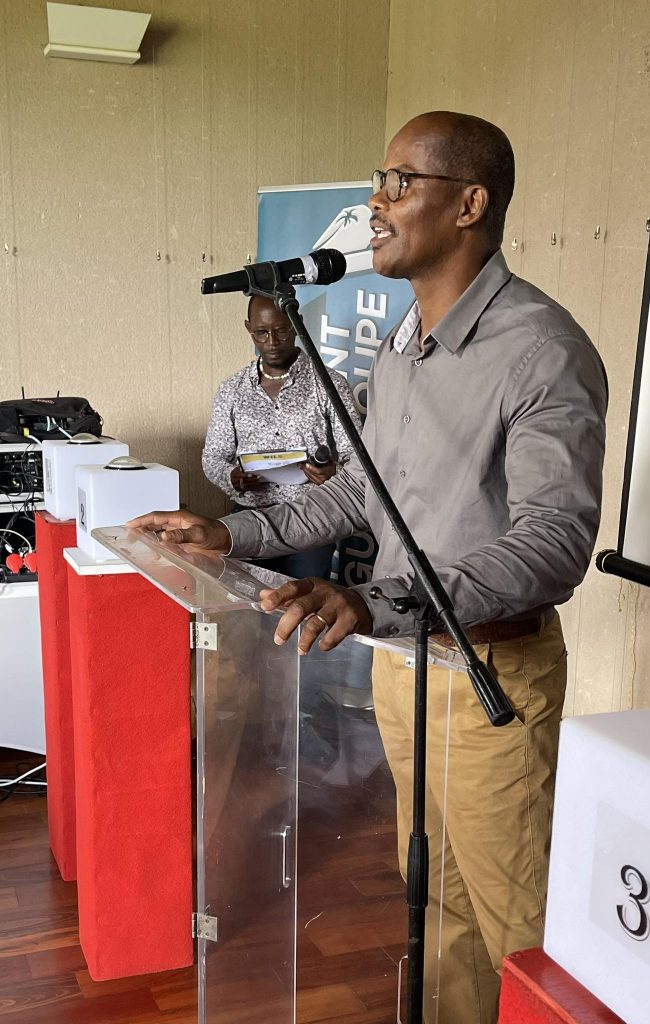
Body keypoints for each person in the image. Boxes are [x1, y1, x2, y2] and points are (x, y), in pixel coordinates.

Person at [131, 110, 608, 1024]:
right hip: (403, 666)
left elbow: (555, 540)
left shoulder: (540, 349)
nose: (375, 204)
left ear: (468, 204)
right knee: (435, 898)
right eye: (376, 182)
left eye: (398, 182)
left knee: (516, 925)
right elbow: (361, 494)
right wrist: (228, 534)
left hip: (487, 675)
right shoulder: (400, 346)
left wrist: (376, 598)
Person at [201, 294, 362, 579]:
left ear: (296, 325)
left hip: (313, 517)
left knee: (306, 601)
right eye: (261, 333)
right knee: (249, 598)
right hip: (251, 517)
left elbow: (359, 455)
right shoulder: (232, 389)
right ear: (249, 329)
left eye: (282, 331)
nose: (272, 342)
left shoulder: (328, 384)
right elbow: (213, 457)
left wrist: (334, 473)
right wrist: (231, 476)